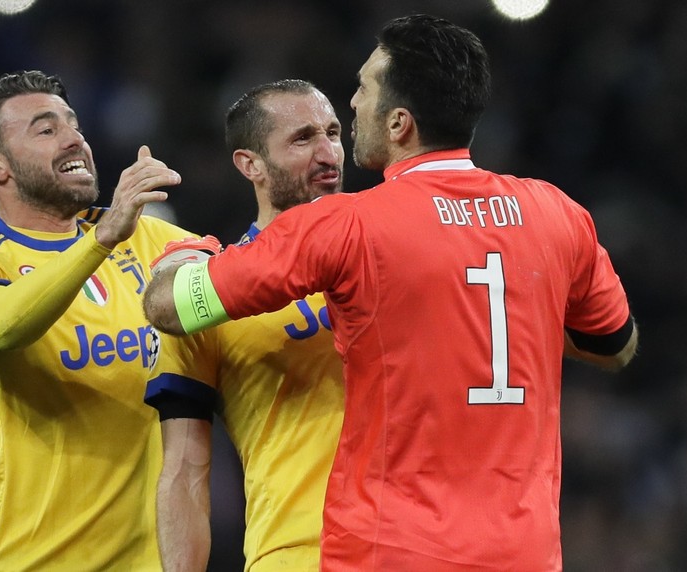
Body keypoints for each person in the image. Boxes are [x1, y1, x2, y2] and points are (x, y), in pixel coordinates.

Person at [143, 14, 639, 571]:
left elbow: (171, 305)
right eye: (305, 135)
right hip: (523, 550)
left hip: (390, 548)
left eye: (362, 91)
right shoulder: (556, 213)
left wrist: (178, 256)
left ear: (399, 122)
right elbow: (615, 345)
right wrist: (521, 311)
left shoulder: (349, 229)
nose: (352, 107)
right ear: (248, 164)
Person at [0, 70, 196, 570]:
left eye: (75, 126)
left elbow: (246, 286)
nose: (75, 139)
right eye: (46, 130)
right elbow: (2, 325)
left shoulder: (147, 239)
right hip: (25, 560)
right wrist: (102, 239)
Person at [143, 79, 346, 571]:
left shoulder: (389, 249)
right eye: (302, 139)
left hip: (422, 544)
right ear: (249, 164)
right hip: (300, 552)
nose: (328, 154)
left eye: (334, 133)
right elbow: (186, 469)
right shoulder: (207, 288)